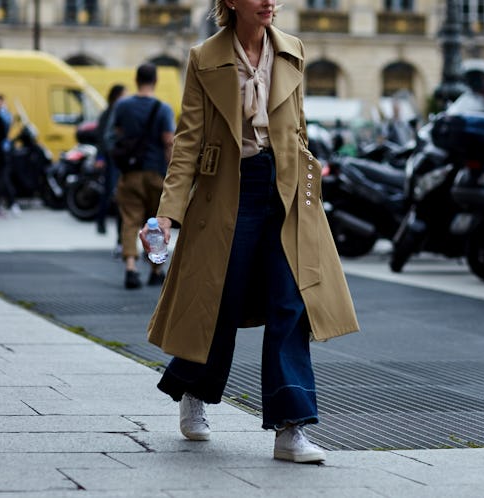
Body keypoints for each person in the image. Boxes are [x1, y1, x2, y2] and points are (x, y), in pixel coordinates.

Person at [140, 0, 359, 463]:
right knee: (218, 299)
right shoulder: (205, 57)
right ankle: (193, 392)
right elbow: (188, 141)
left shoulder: (293, 50)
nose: (268, 2)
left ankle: (290, 427)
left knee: (289, 304)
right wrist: (167, 213)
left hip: (286, 192)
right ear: (231, 2)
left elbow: (297, 129)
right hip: (227, 191)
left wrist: (310, 179)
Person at [107, 65, 174, 289]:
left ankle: (130, 267)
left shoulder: (122, 106)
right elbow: (168, 141)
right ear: (155, 81)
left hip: (130, 173)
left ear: (136, 80)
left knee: (129, 220)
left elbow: (114, 136)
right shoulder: (163, 109)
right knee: (154, 222)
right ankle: (156, 270)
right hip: (155, 173)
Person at [95, 84, 126, 240]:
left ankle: (102, 222)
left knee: (110, 190)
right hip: (111, 157)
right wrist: (100, 156)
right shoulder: (110, 113)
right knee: (110, 190)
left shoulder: (115, 111)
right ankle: (101, 222)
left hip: (113, 157)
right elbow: (102, 137)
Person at [0, 94, 20, 216]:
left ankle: (7, 202)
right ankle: (5, 203)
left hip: (3, 150)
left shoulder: (3, 114)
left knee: (3, 177)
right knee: (1, 178)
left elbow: (6, 128)